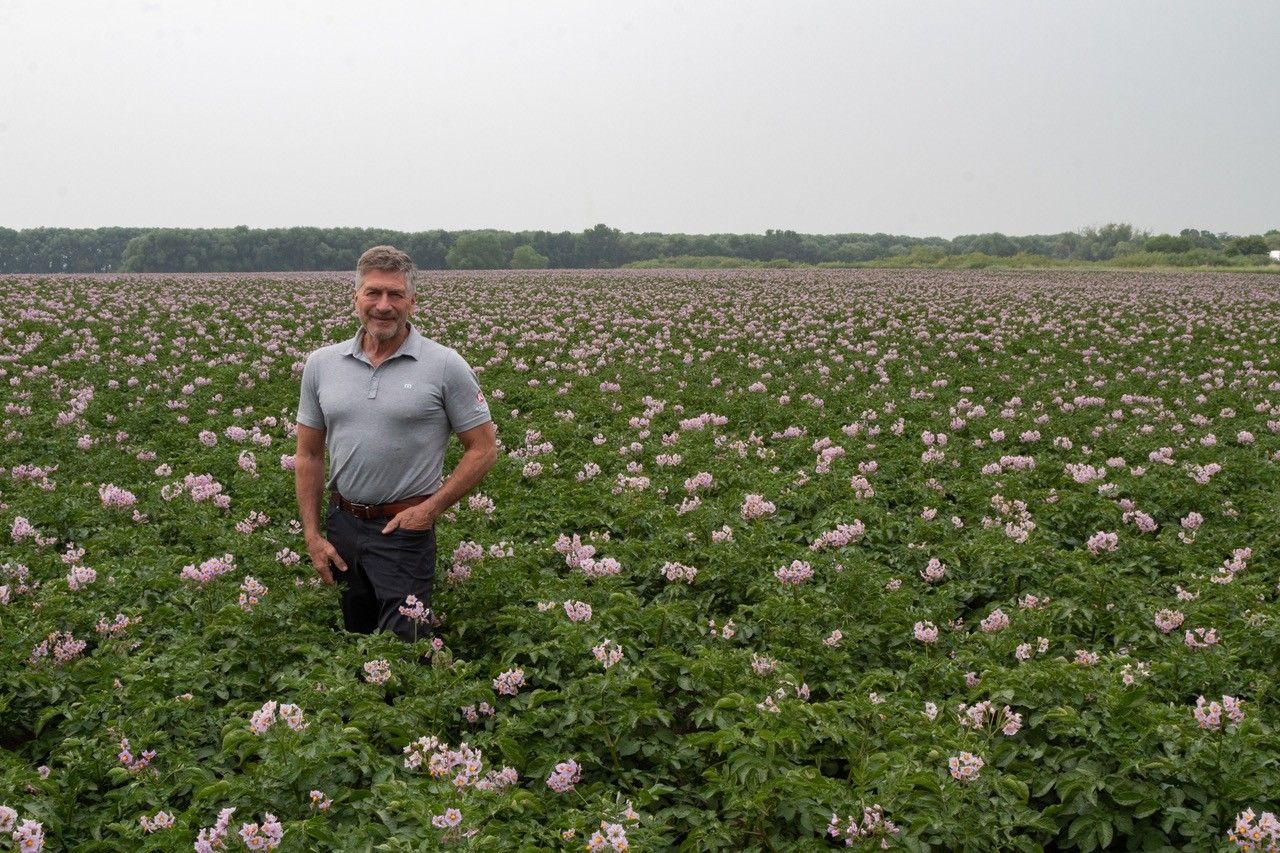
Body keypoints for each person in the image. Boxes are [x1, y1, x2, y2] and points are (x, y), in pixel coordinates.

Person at [294, 245, 497, 642]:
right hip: (343, 526)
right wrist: (313, 535)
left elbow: (484, 448)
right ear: (356, 299)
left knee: (404, 647)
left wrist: (429, 510)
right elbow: (309, 454)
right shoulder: (322, 364)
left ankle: (404, 702)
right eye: (373, 293)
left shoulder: (444, 364)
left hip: (403, 530)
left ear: (412, 303)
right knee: (356, 638)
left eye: (395, 294)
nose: (383, 305)